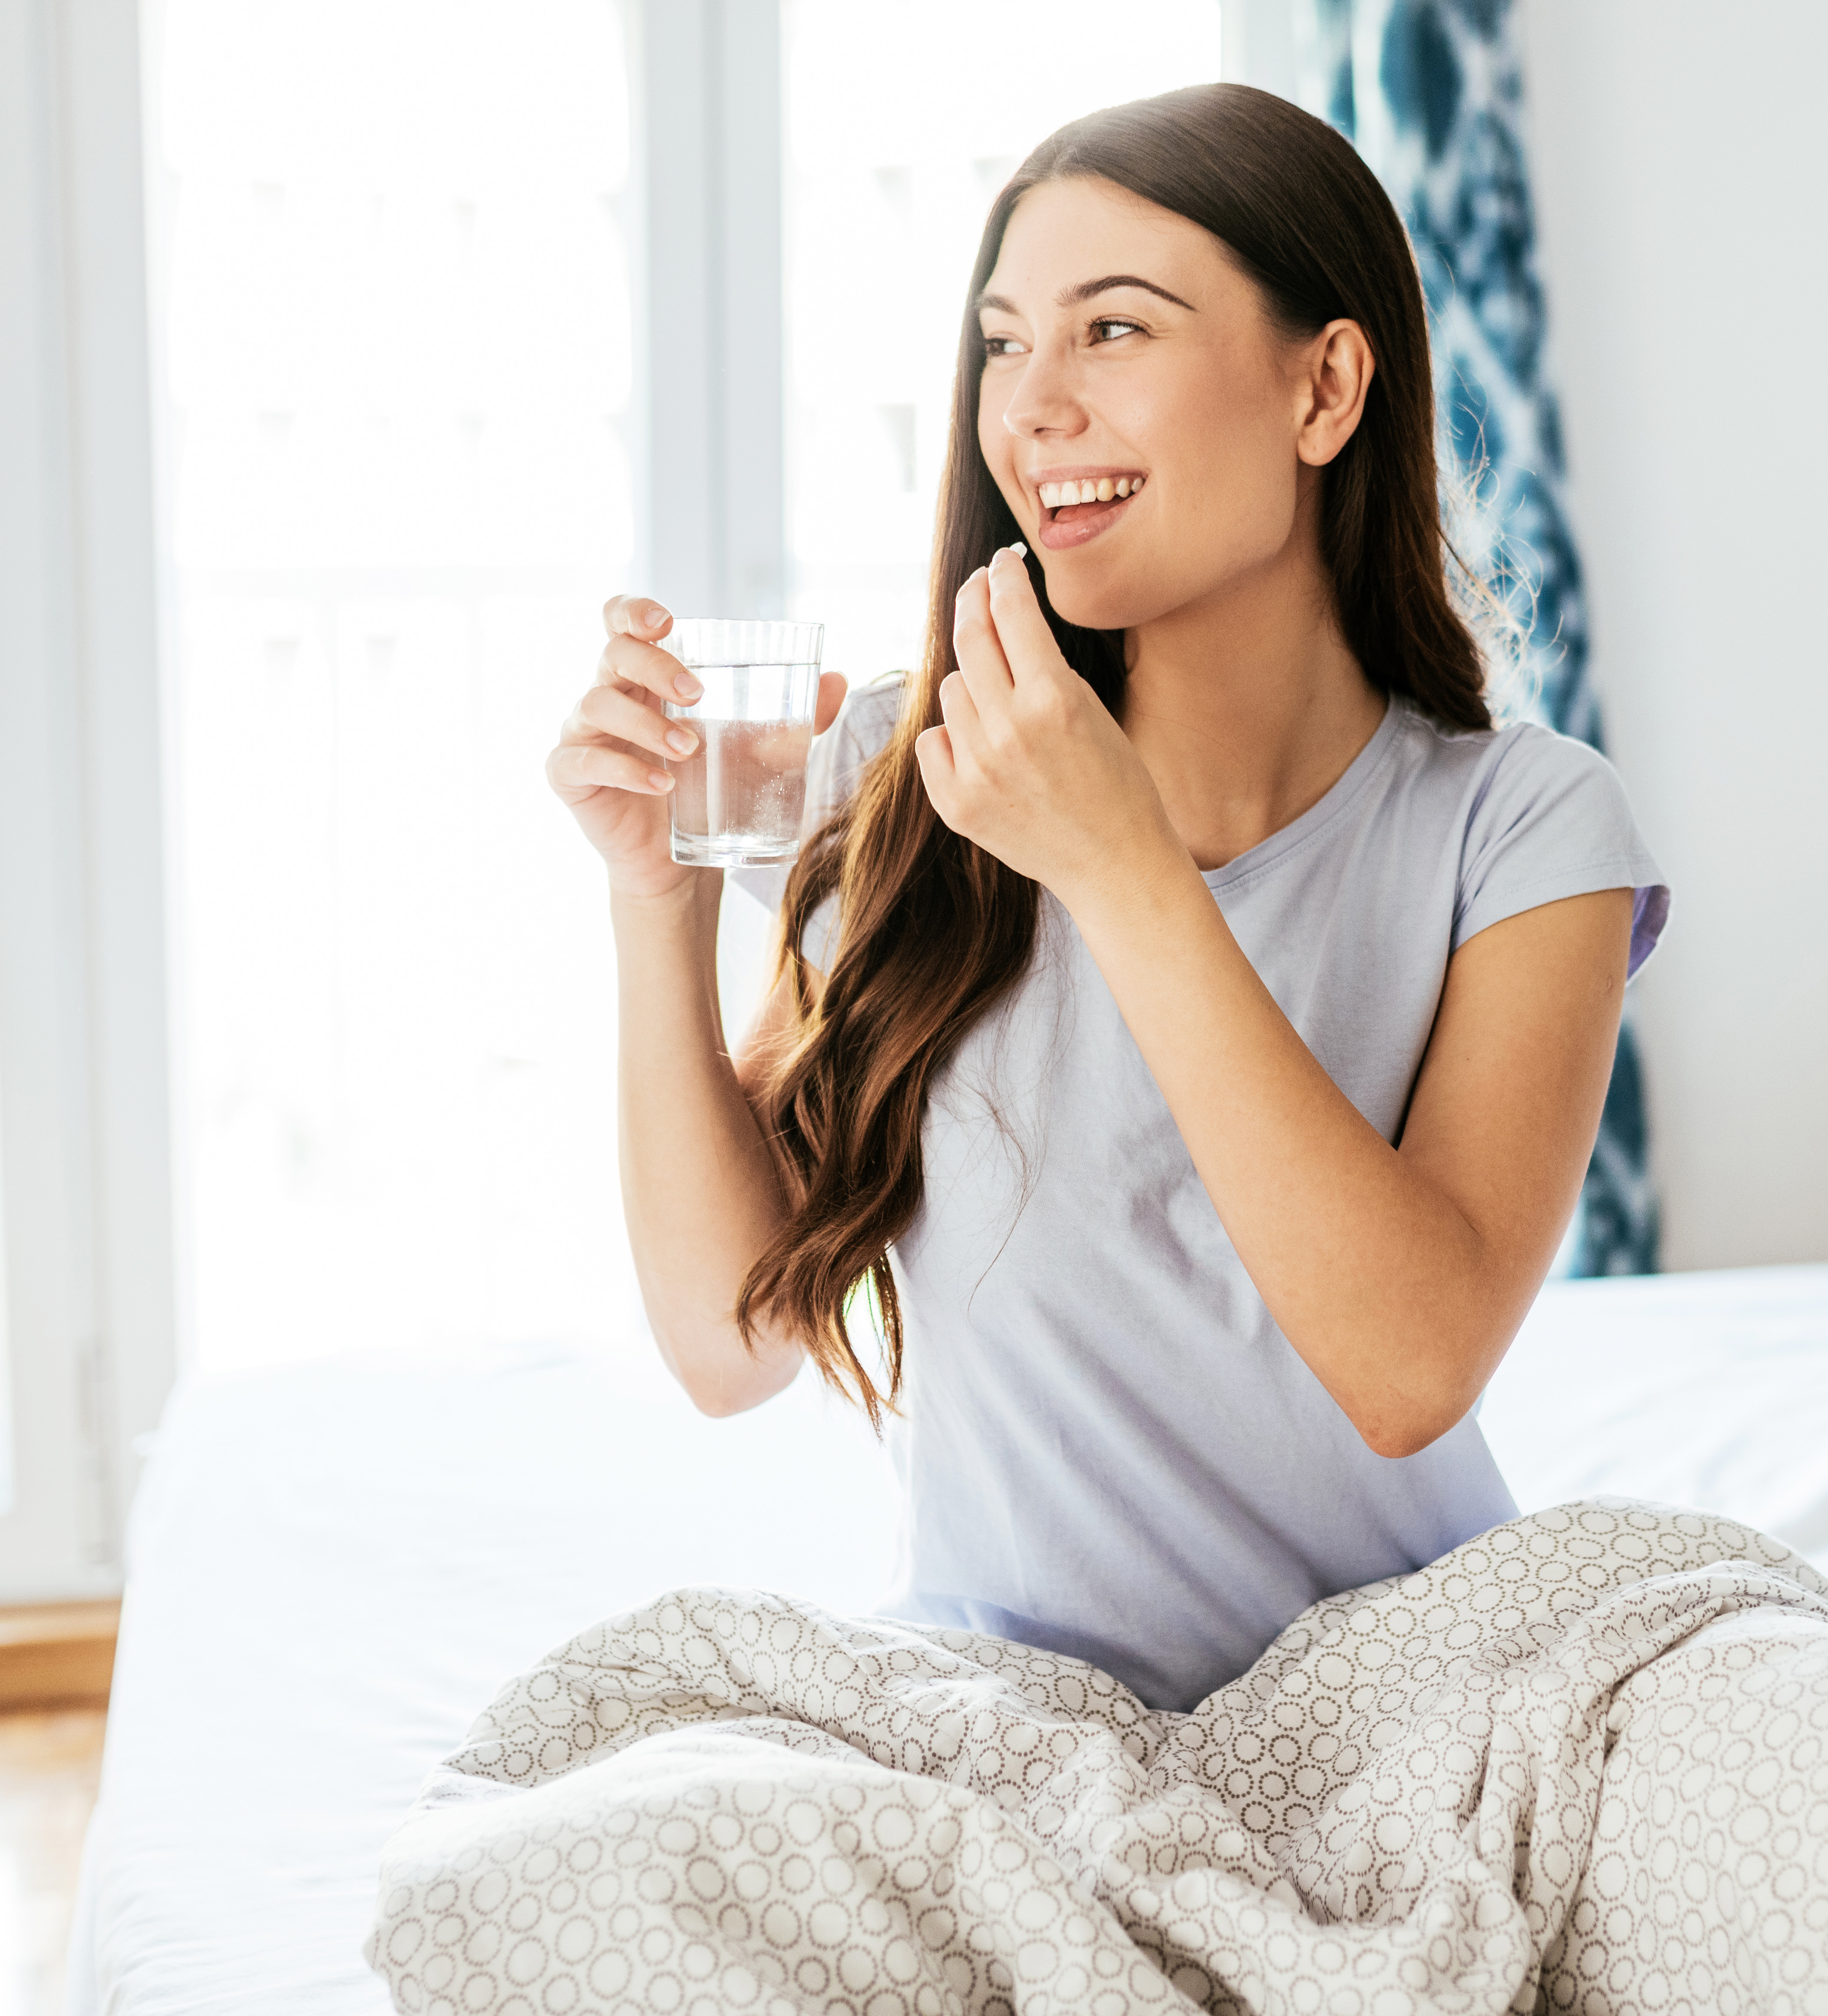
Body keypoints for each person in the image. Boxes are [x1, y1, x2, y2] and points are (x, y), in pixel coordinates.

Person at [545, 81, 1667, 1713]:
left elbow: (1414, 1367)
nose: (1031, 411)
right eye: (1005, 345)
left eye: (1113, 333)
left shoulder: (1525, 826)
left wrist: (1121, 864)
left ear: (1326, 386)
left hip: (1428, 1705)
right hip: (1020, 1720)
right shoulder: (906, 771)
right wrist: (660, 907)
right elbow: (728, 1349)